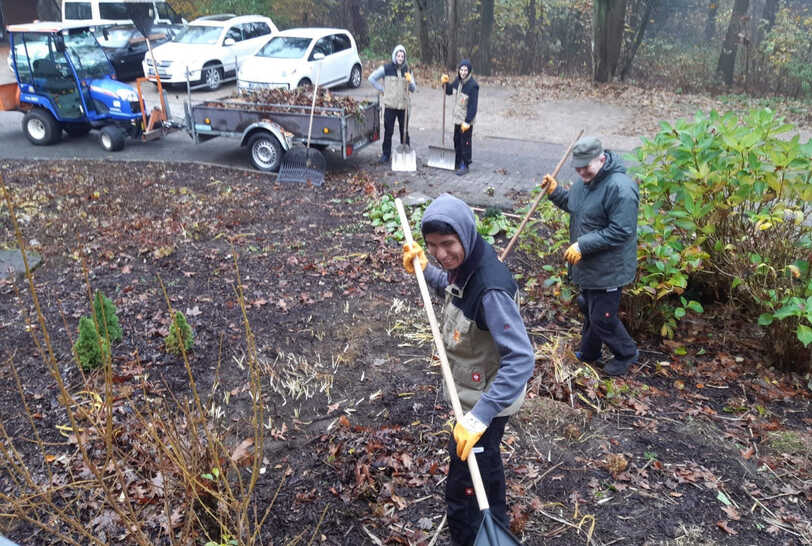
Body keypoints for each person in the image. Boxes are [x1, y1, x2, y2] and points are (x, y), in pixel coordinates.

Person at [402, 194, 534, 545]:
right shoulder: (467, 265)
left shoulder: (490, 289)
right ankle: (495, 525)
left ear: (466, 234)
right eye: (431, 246)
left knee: (465, 484)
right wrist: (423, 268)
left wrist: (480, 417)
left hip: (487, 401)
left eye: (447, 244)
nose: (441, 255)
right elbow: (453, 288)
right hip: (476, 395)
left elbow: (521, 359)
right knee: (484, 464)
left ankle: (472, 535)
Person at [540, 136, 640, 376]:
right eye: (578, 167)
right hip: (591, 266)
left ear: (602, 159)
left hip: (609, 269)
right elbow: (577, 207)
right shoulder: (586, 182)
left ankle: (627, 353)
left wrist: (582, 245)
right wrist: (555, 192)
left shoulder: (621, 188)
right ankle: (590, 351)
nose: (581, 172)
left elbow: (622, 231)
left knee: (602, 318)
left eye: (586, 167)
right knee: (589, 307)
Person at [368, 44, 416, 164]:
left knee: (404, 131)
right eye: (398, 55)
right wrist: (383, 90)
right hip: (390, 106)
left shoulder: (408, 70)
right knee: (388, 131)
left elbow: (413, 89)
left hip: (403, 107)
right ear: (395, 56)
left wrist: (410, 82)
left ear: (404, 57)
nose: (400, 58)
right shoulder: (386, 68)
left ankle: (406, 153)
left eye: (402, 56)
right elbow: (371, 78)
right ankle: (386, 154)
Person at [440, 60, 478, 176]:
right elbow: (449, 91)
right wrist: (445, 83)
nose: (463, 72)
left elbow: (473, 106)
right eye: (461, 70)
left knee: (465, 142)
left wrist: (467, 121)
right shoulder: (458, 81)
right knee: (456, 140)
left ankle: (465, 164)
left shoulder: (473, 86)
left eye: (465, 70)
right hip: (457, 118)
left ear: (469, 71)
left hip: (466, 121)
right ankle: (457, 161)